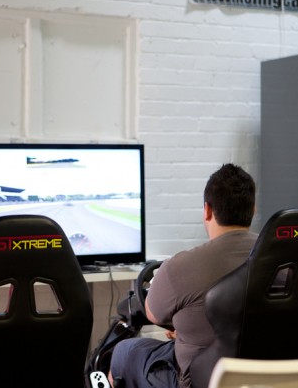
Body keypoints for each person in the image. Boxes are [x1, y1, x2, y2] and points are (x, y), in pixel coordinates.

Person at [109, 163, 258, 388]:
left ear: (207, 210)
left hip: (198, 381)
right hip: (266, 374)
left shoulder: (179, 266)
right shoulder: (286, 263)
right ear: (253, 209)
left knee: (124, 351)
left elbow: (154, 315)